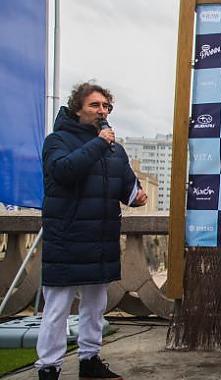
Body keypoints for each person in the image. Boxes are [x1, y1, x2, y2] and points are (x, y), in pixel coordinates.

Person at [36, 82, 147, 380]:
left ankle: (90, 361)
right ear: (77, 109)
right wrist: (99, 142)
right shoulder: (57, 141)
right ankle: (49, 368)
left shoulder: (115, 149)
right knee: (57, 311)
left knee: (95, 308)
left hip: (100, 241)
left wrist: (136, 197)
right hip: (67, 240)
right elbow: (64, 172)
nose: (102, 111)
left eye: (106, 106)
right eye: (94, 105)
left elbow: (127, 188)